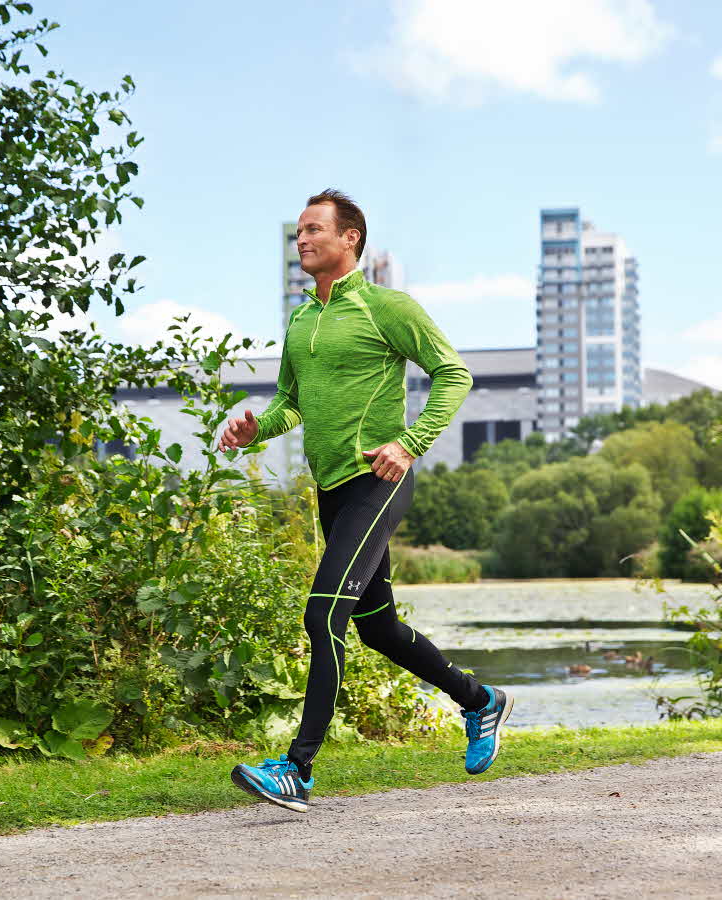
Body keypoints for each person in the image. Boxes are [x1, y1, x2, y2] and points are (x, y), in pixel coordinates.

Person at [217, 189, 513, 813]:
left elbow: (453, 372)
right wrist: (256, 430)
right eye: (298, 232)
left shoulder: (387, 308)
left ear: (350, 238)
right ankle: (480, 701)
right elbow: (290, 402)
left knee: (322, 614)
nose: (302, 240)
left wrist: (409, 444)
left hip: (377, 481)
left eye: (314, 230)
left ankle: (297, 769)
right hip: (330, 490)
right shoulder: (301, 320)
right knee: (376, 627)